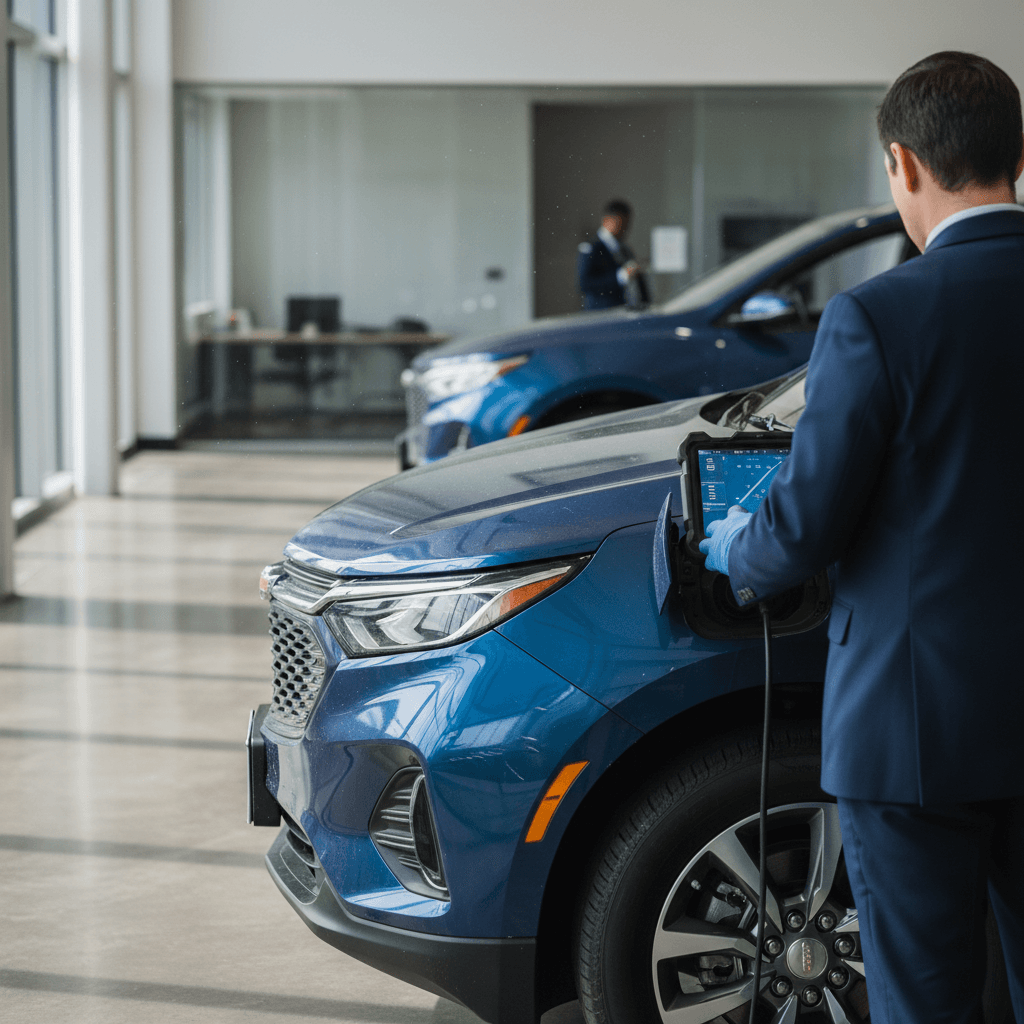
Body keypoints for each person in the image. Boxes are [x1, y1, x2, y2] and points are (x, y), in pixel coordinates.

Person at [698, 52, 1024, 1024]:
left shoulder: (878, 317)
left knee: (924, 996)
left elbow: (799, 527)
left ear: (903, 164)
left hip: (915, 733)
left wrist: (729, 546)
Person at [577, 198, 650, 309]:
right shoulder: (591, 247)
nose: (625, 229)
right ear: (607, 220)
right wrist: (621, 276)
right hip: (602, 315)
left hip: (624, 312)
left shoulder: (625, 249)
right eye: (621, 223)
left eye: (627, 224)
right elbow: (584, 284)